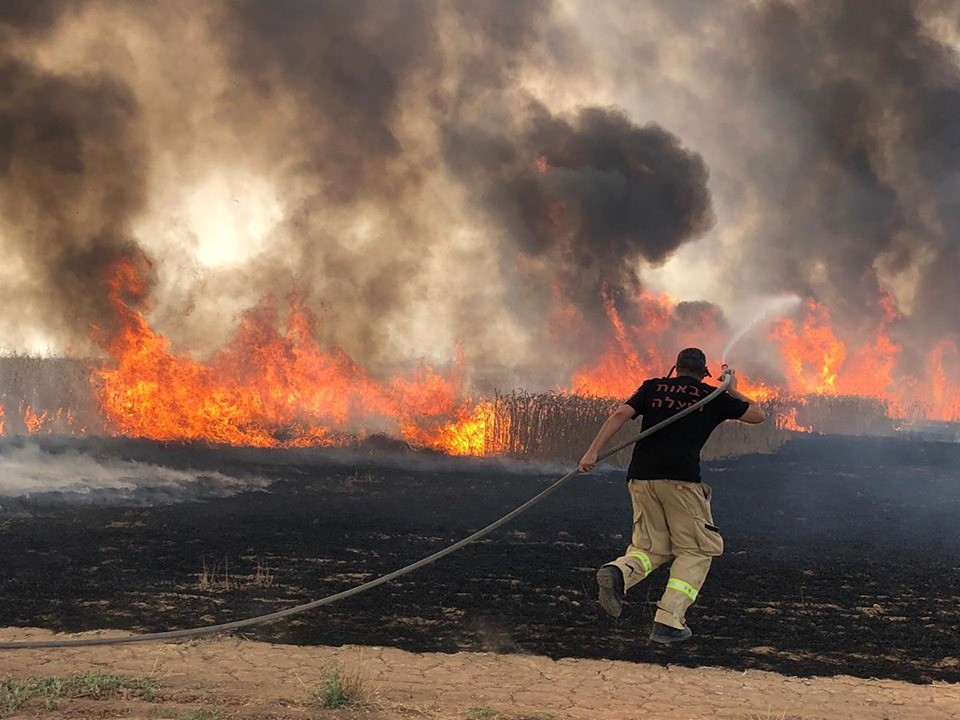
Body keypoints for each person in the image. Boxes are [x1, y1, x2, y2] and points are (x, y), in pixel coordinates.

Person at [578, 347, 765, 645]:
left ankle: (618, 573)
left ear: (676, 369)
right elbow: (758, 415)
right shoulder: (712, 396)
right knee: (697, 549)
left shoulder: (653, 387)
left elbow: (619, 413)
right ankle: (668, 621)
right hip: (681, 481)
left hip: (641, 478)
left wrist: (591, 452)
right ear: (703, 373)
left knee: (651, 546)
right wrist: (731, 388)